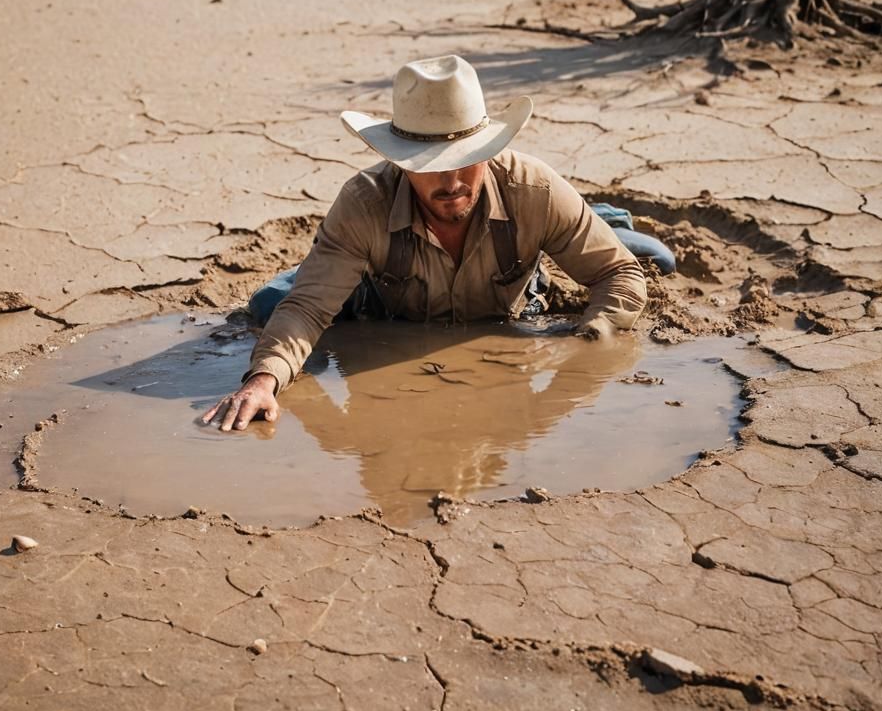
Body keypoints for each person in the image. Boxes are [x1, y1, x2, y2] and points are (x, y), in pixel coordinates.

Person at [202, 54, 648, 432]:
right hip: (379, 299)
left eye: (467, 160)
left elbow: (621, 274)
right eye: (430, 165)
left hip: (513, 302)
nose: (451, 182)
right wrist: (262, 381)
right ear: (400, 161)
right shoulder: (362, 204)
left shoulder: (535, 191)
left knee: (656, 255)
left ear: (488, 150)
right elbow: (307, 310)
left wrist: (586, 340)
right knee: (270, 304)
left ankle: (598, 219)